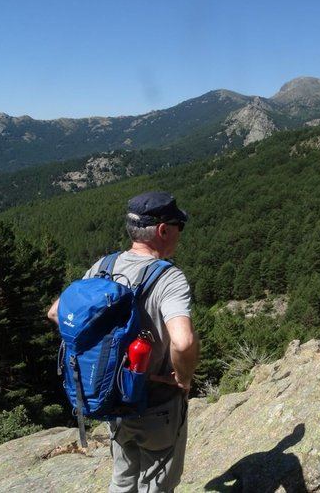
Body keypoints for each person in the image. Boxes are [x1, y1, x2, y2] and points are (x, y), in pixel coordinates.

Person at [47, 191, 199, 492]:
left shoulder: (104, 266)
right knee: (156, 484)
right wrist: (182, 378)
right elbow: (182, 343)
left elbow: (55, 312)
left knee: (123, 478)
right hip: (156, 404)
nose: (179, 234)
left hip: (111, 400)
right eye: (178, 227)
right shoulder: (169, 279)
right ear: (162, 230)